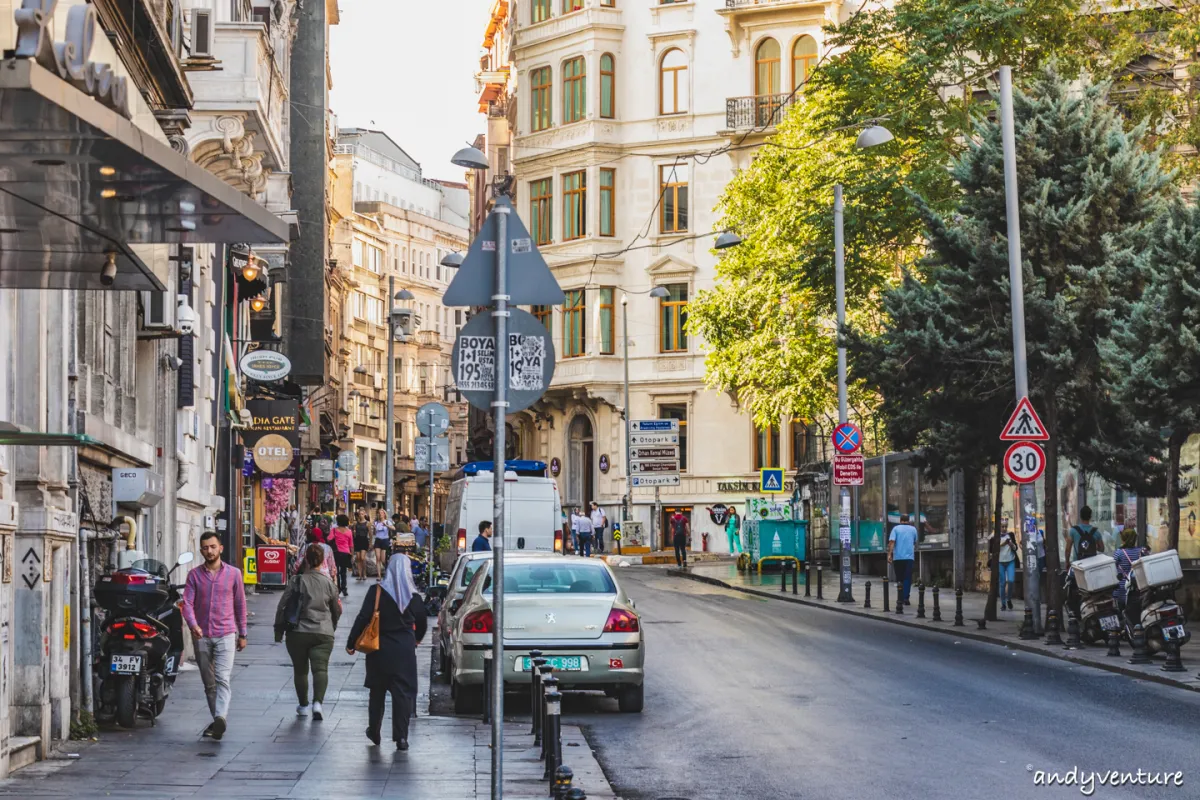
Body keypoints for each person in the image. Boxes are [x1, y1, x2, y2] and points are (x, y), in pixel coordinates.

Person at [346, 555, 427, 751]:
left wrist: (351, 642)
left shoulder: (377, 591)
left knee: (377, 691)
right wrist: (415, 639)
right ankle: (401, 737)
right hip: (404, 651)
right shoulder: (413, 596)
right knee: (402, 694)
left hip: (379, 649)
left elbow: (363, 617)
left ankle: (374, 730)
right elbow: (422, 623)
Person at [181, 532, 247, 741]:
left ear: (220, 548)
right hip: (201, 636)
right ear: (201, 551)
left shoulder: (234, 574)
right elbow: (187, 604)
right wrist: (193, 625)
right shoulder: (194, 575)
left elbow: (240, 604)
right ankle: (217, 721)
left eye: (212, 547)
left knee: (222, 678)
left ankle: (220, 717)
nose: (208, 551)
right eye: (205, 548)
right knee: (209, 683)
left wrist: (242, 633)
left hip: (226, 633)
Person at [275, 544, 342, 720]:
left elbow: (282, 606)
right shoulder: (329, 583)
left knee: (300, 670)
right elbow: (336, 609)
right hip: (323, 632)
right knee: (321, 669)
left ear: (305, 560)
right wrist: (332, 626)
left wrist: (278, 631)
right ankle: (318, 703)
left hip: (298, 632)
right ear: (322, 560)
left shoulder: (297, 581)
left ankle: (303, 705)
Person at [1112, 528, 1149, 610]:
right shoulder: (1142, 551)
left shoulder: (1119, 553)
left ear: (1123, 539)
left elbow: (1112, 569)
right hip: (1138, 590)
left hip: (1122, 591)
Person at [887, 514, 919, 607]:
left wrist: (889, 555)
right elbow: (914, 541)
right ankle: (906, 598)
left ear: (900, 520)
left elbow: (892, 542)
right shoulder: (913, 529)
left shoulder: (896, 529)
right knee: (907, 578)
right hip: (909, 557)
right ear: (908, 520)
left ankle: (900, 598)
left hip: (898, 557)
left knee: (899, 578)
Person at [989, 529, 1020, 611]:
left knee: (1011, 580)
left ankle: (1009, 599)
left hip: (1011, 560)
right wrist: (1002, 544)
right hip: (1000, 562)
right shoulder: (994, 536)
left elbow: (1015, 548)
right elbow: (991, 550)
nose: (1003, 528)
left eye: (1005, 526)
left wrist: (1011, 544)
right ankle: (1003, 603)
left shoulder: (1010, 534)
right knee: (1002, 583)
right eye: (1002, 526)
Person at [328, 515, 354, 597]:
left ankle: (338, 588)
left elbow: (329, 539)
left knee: (337, 571)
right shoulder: (349, 531)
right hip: (346, 553)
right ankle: (344, 588)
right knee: (344, 572)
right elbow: (351, 544)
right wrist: (352, 554)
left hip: (336, 552)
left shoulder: (334, 530)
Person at [373, 508, 394, 578]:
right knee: (377, 558)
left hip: (385, 540)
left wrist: (387, 525)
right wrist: (373, 527)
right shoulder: (376, 522)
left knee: (383, 560)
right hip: (378, 540)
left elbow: (394, 528)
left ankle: (387, 570)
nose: (380, 514)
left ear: (384, 514)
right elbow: (374, 532)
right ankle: (379, 575)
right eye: (379, 513)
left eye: (382, 513)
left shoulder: (387, 522)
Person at [353, 510, 372, 582]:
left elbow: (370, 534)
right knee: (358, 558)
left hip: (364, 540)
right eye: (360, 514)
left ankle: (364, 573)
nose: (361, 515)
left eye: (362, 514)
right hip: (357, 540)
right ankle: (359, 575)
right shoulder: (356, 523)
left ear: (364, 514)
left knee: (362, 558)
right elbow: (354, 533)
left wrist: (370, 543)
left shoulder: (367, 523)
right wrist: (354, 532)